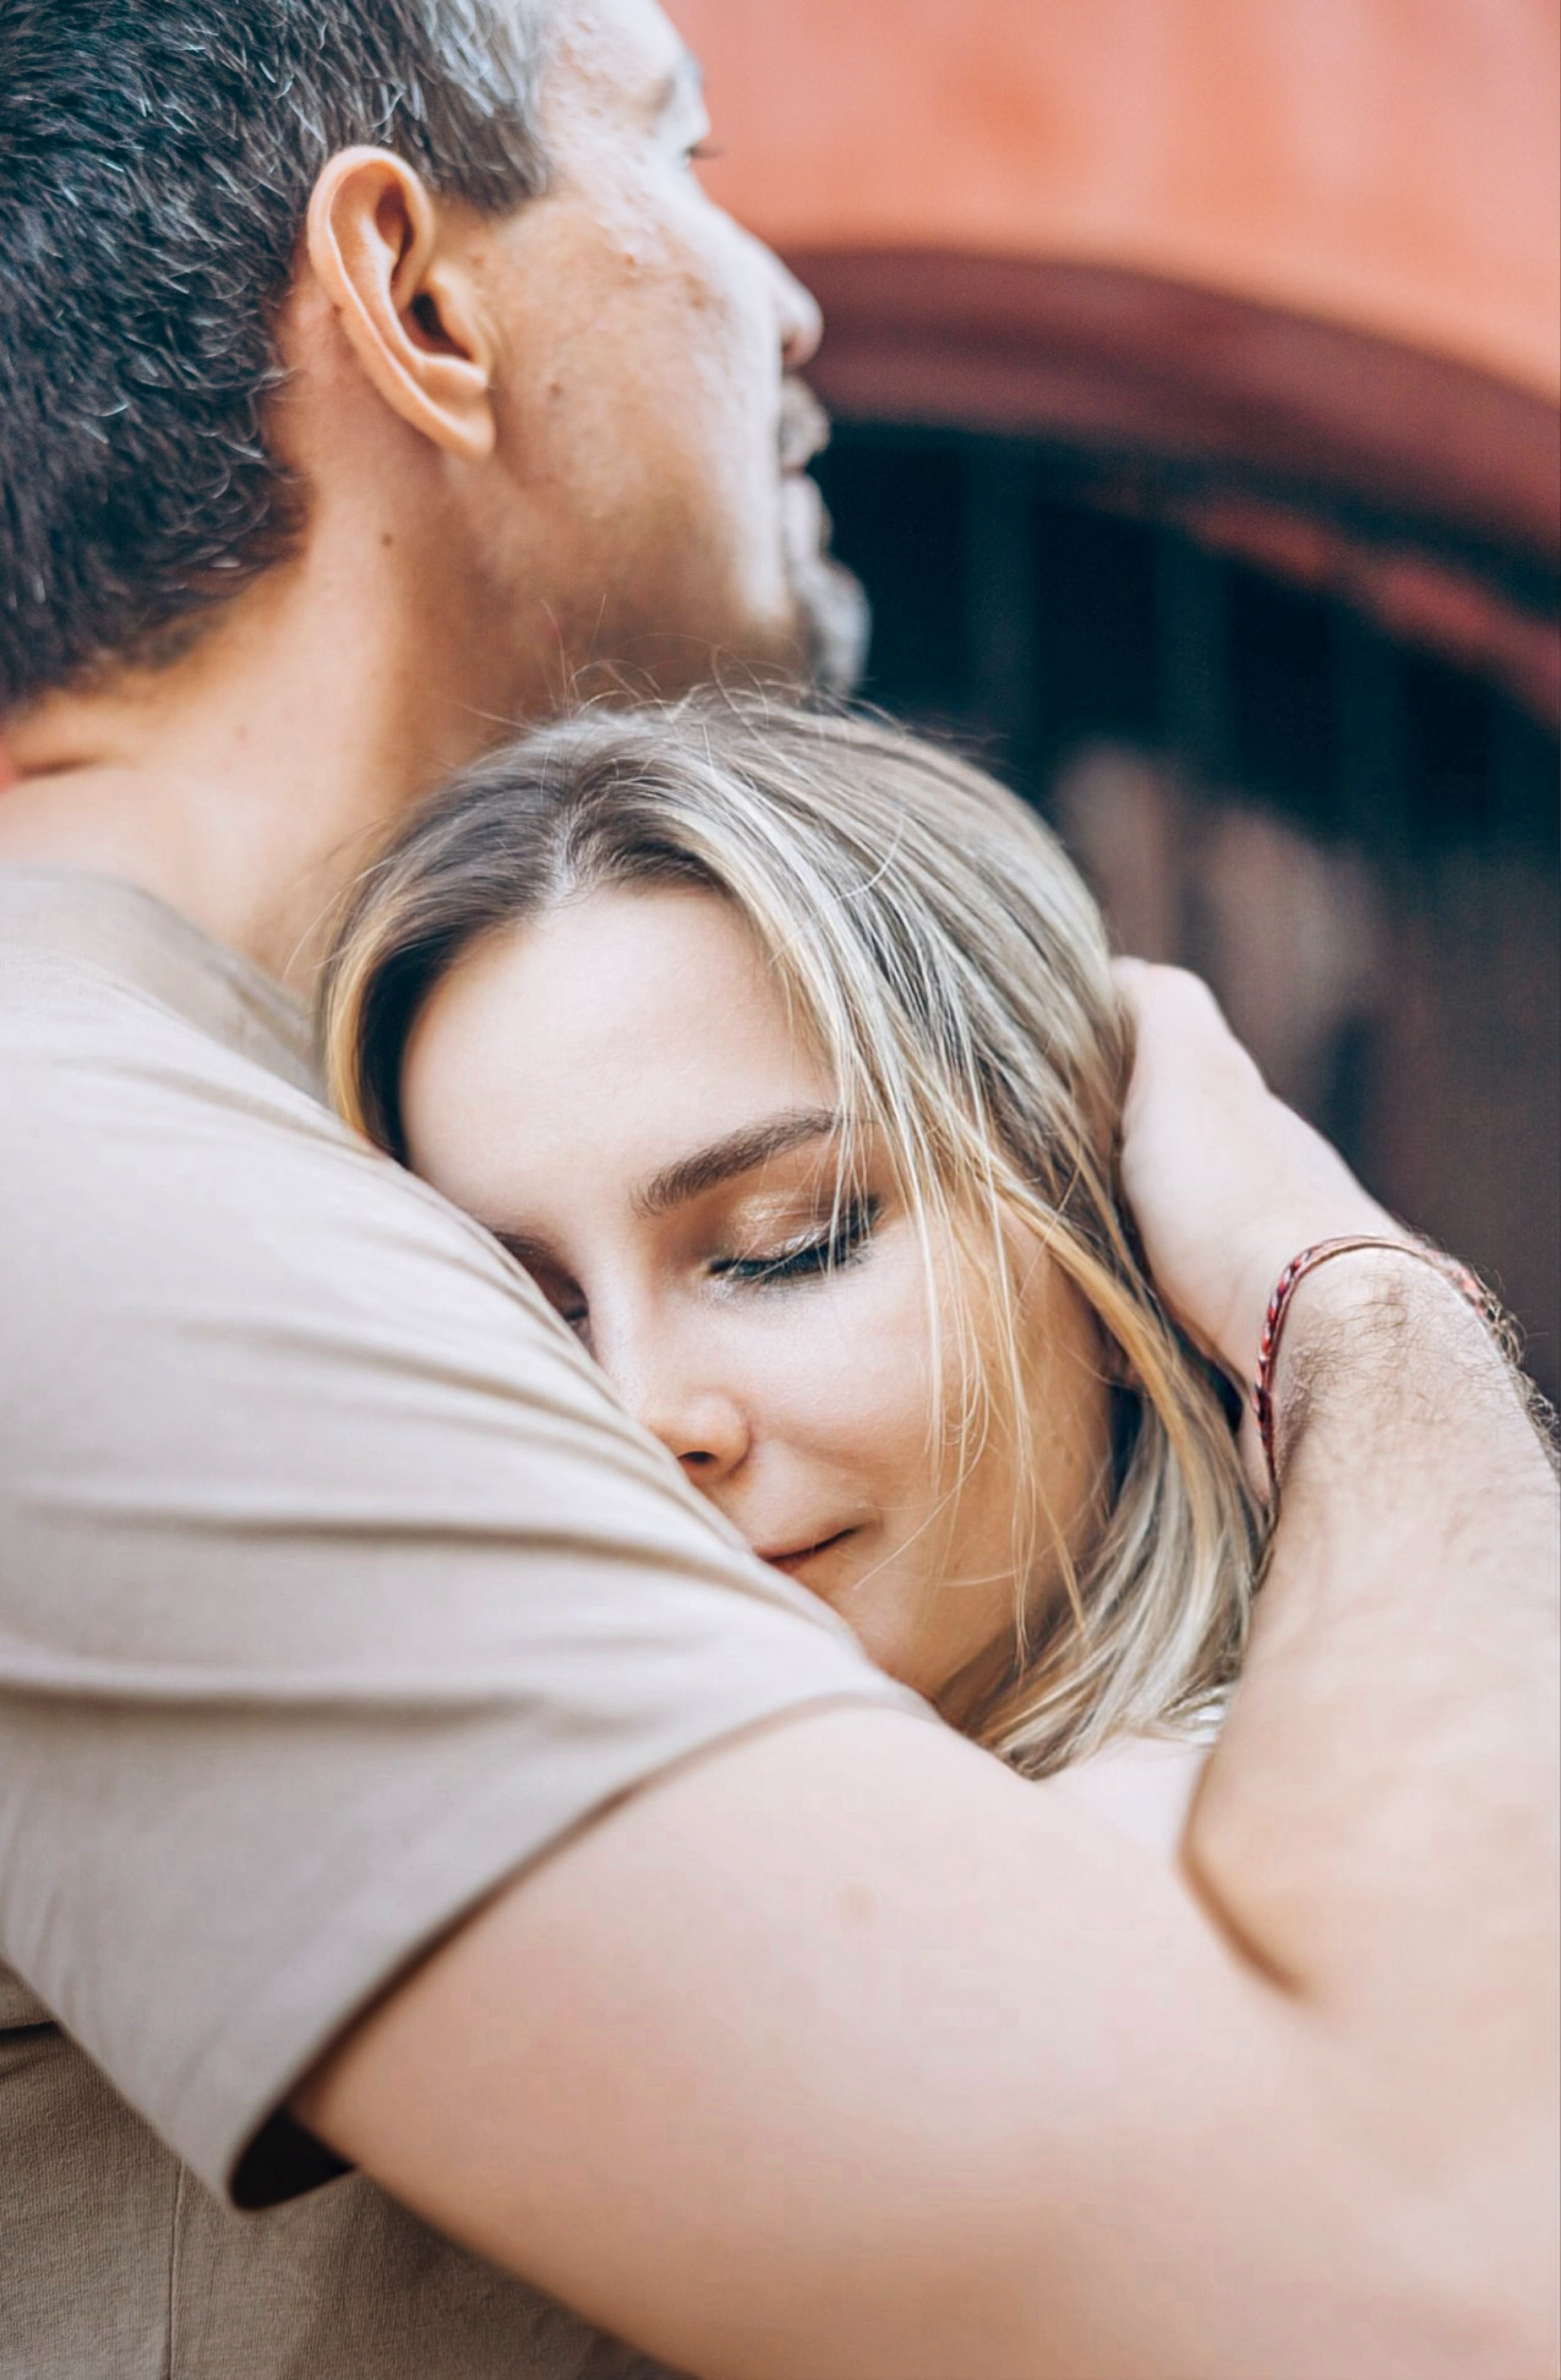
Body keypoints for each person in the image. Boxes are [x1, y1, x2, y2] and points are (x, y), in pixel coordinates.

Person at [0, 1, 1554, 2376]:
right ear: (418, 304)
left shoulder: (214, 1144)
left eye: (788, 1235)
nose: (786, 296)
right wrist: (1348, 1298)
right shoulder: (82, 1196)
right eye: (683, 151)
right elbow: (1409, 2267)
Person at [321, 699, 1263, 1822]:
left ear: (1102, 1209)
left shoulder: (1310, 1835)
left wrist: (1329, 1279)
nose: (640, 1417)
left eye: (789, 1249)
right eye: (528, 1315)